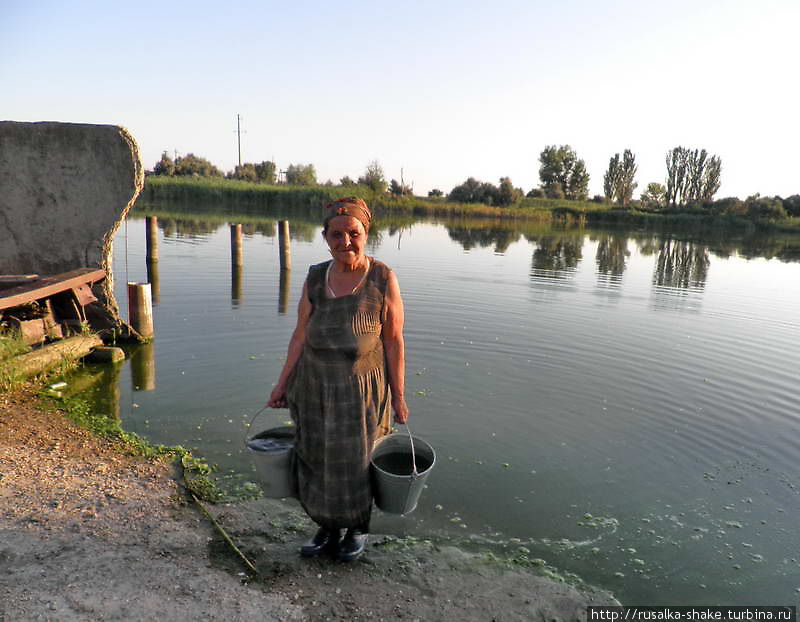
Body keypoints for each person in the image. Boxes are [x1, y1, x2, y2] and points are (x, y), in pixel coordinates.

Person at [267, 197, 409, 562]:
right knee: (316, 457)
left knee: (357, 461)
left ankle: (357, 528)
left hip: (362, 389)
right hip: (313, 385)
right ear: (325, 237)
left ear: (366, 233)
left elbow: (393, 340)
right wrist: (282, 383)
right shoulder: (316, 277)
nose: (345, 241)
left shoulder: (382, 278)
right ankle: (327, 526)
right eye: (336, 235)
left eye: (353, 233)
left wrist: (399, 396)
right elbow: (300, 333)